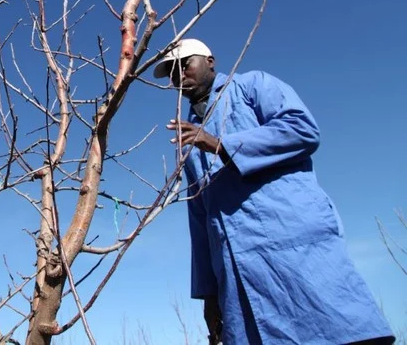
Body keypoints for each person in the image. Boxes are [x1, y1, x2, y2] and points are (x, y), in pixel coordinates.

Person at [156, 39, 394, 345]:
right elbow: (199, 219)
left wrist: (221, 144)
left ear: (210, 61)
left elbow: (302, 130)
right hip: (236, 275)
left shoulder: (252, 86)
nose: (178, 75)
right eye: (172, 73)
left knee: (337, 333)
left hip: (296, 251)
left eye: (184, 64)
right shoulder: (187, 139)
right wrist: (209, 294)